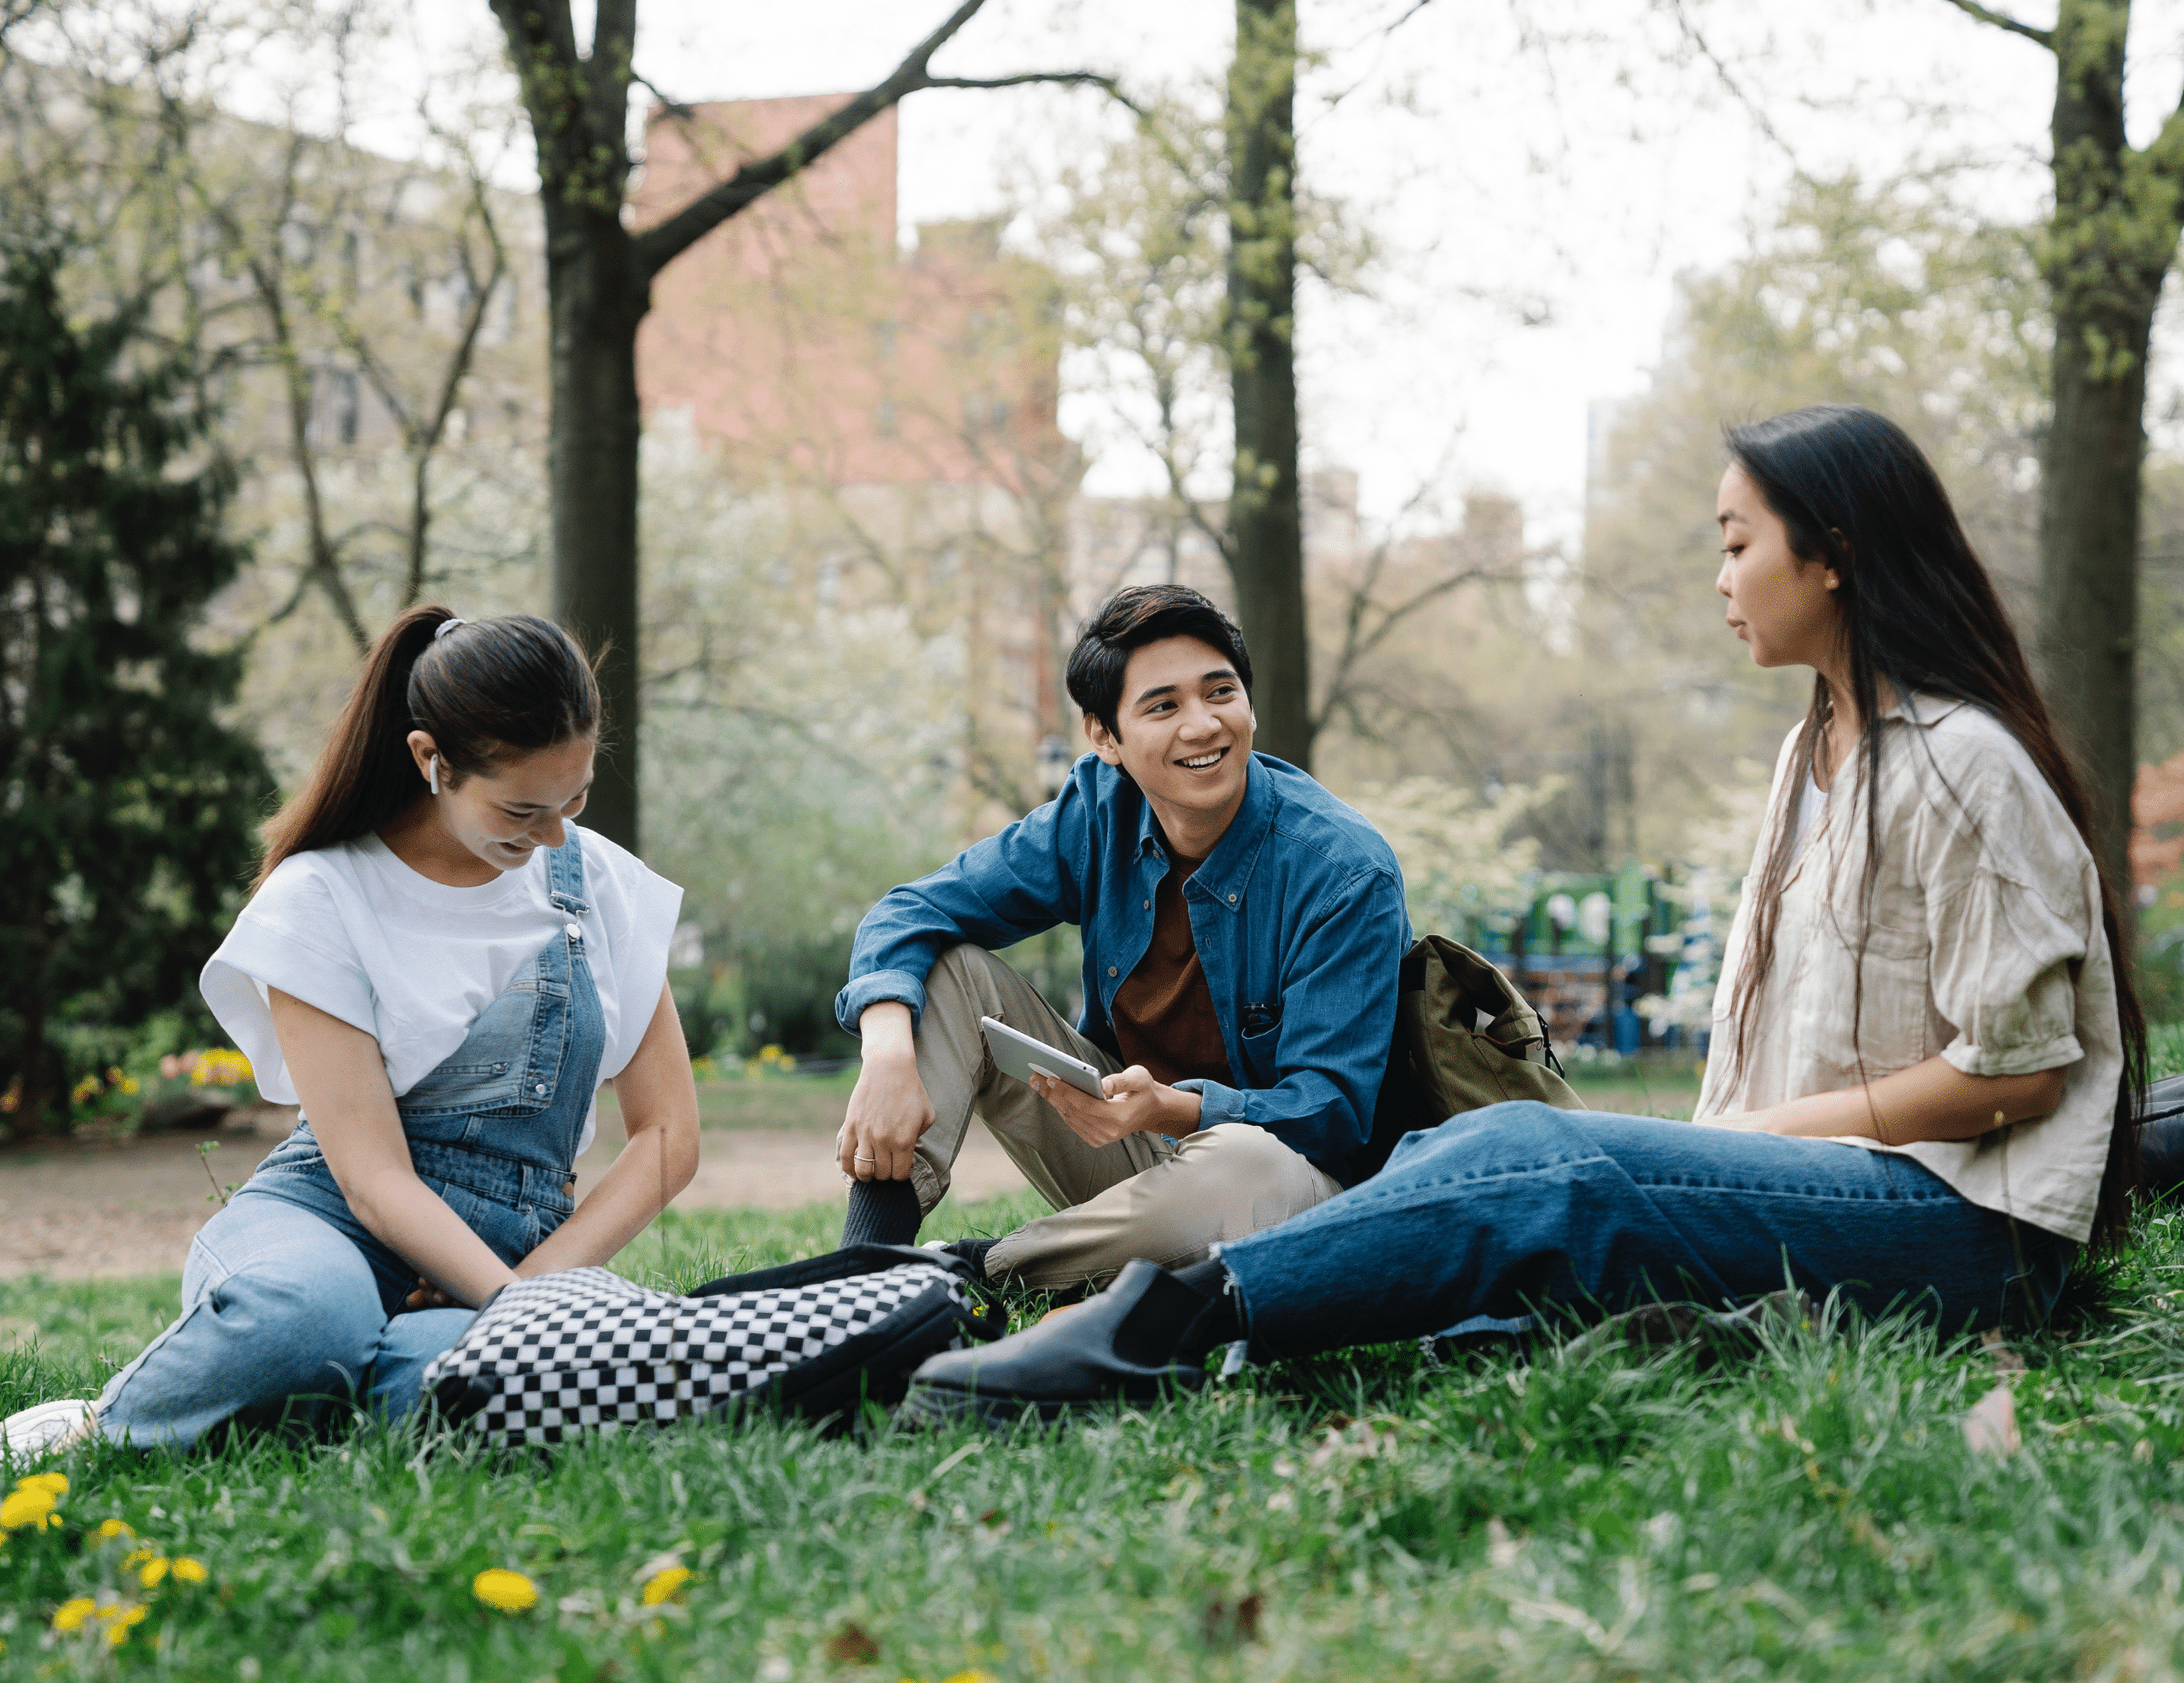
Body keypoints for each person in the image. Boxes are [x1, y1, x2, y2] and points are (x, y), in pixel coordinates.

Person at [903, 403, 2147, 1420]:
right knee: (1459, 1157)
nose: (1720, 575)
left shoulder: (1963, 764)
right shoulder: (1811, 755)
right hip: (1819, 1180)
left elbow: (2019, 1077)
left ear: (1833, 554)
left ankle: (1160, 1328)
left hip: (1964, 1229)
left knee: (1540, 1157)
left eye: (1735, 542)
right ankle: (1149, 1304)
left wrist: (1769, 1134)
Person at [2, 608, 698, 1455]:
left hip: (516, 1254)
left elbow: (668, 1134)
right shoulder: (322, 896)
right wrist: (514, 1308)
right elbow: (372, 1179)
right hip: (328, 1227)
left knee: (475, 1380)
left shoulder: (601, 884)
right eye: (521, 807)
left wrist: (527, 1291)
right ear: (429, 759)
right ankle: (97, 1428)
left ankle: (310, 1399)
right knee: (308, 1315)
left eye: (576, 796)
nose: (557, 832)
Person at [833, 584, 1410, 1289]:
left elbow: (1332, 1115)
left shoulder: (1345, 872)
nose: (1202, 726)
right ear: (1106, 738)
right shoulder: (1100, 810)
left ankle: (976, 1270)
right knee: (947, 968)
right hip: (1131, 1153)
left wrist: (1175, 1106)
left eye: (1220, 692)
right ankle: (858, 1273)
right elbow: (909, 912)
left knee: (1243, 1163)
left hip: (1289, 1190)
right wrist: (887, 1055)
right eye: (1163, 706)